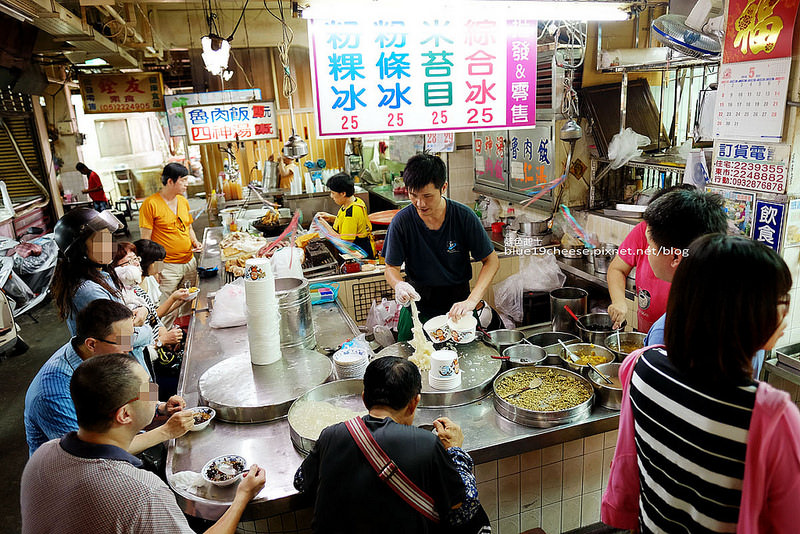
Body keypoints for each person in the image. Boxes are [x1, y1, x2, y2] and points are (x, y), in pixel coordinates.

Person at [601, 234, 799, 533]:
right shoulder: (773, 416)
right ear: (744, 311)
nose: (786, 314)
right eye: (781, 301)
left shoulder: (642, 367)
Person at [21, 353, 266, 534]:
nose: (155, 390)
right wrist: (241, 497)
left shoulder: (43, 456)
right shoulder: (143, 492)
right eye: (148, 389)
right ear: (124, 415)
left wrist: (162, 420)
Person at [294, 357, 484, 533]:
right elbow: (463, 509)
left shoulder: (330, 435)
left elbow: (301, 482)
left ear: (364, 399)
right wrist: (455, 451)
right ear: (414, 403)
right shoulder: (426, 445)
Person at [24, 299, 192, 456]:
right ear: (91, 344)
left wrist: (160, 406)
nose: (130, 348)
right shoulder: (53, 393)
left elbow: (139, 382)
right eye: (123, 341)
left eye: (131, 337)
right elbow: (92, 452)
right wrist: (166, 432)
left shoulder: (106, 352)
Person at [383, 154, 499, 341]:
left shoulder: (463, 217)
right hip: (416, 310)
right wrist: (398, 285)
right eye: (413, 195)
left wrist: (472, 301)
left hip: (458, 309)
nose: (420, 204)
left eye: (427, 196)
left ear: (443, 187)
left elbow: (491, 261)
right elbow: (390, 268)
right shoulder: (401, 222)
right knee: (411, 365)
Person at [51, 207, 153, 364]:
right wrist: (147, 329)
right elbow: (121, 340)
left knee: (151, 388)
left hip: (130, 361)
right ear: (79, 250)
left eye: (109, 237)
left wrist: (142, 312)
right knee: (148, 389)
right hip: (117, 367)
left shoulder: (102, 274)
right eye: (99, 240)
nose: (109, 245)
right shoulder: (88, 291)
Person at [606, 185, 696, 332]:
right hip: (647, 332)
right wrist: (619, 302)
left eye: (651, 246)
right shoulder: (646, 230)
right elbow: (617, 268)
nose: (647, 250)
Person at [139, 163, 202, 323]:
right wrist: (155, 269)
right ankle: (164, 342)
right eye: (184, 180)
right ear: (170, 182)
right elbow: (145, 242)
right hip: (167, 267)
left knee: (188, 302)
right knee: (167, 307)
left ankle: (184, 337)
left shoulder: (182, 201)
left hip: (189, 262)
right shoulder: (150, 204)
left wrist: (194, 241)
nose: (187, 183)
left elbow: (188, 227)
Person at [113, 241, 188, 348]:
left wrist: (166, 337)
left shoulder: (136, 287)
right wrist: (161, 341)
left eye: (136, 259)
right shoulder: (119, 298)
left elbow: (154, 319)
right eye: (129, 261)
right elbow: (125, 345)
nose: (136, 263)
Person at [317, 173, 376, 259]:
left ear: (343, 193)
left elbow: (344, 243)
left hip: (359, 255)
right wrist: (331, 218)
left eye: (333, 193)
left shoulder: (351, 212)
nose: (331, 196)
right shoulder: (355, 202)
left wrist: (324, 225)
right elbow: (350, 223)